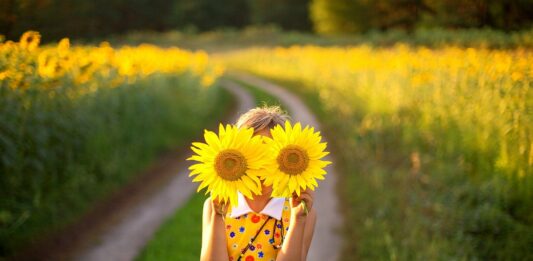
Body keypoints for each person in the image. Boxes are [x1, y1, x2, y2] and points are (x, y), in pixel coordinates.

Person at [200, 106, 317, 261]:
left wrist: (298, 220)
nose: (260, 166)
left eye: (269, 156)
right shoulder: (217, 207)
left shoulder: (301, 212)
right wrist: (216, 216)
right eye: (253, 154)